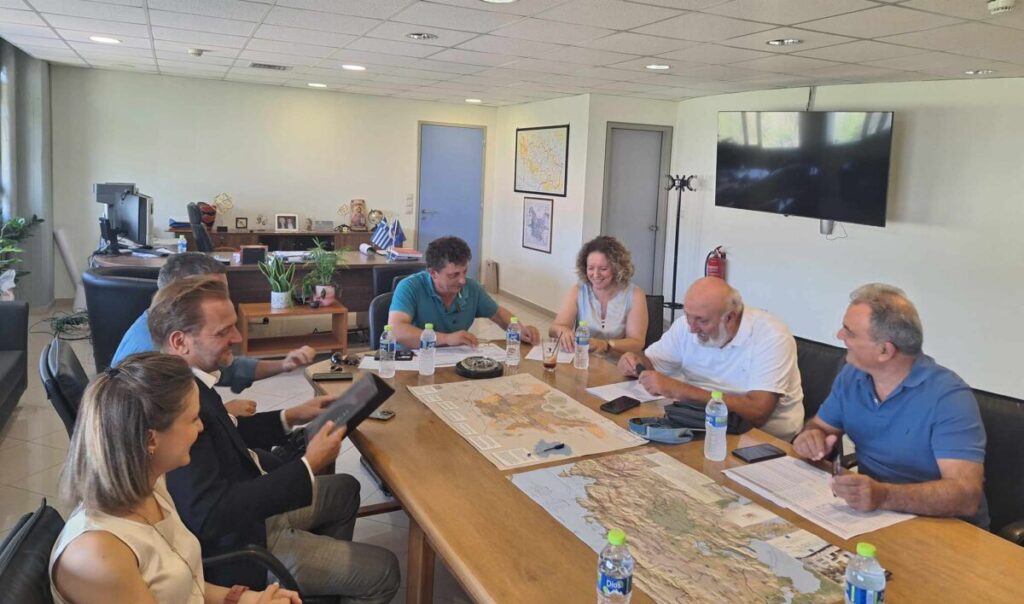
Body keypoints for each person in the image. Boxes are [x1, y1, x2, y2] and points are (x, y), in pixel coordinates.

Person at [150, 276, 400, 600]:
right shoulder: (176, 409)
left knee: (346, 489)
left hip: (252, 511)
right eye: (223, 331)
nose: (238, 337)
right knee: (384, 571)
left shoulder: (192, 383)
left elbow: (226, 431)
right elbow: (211, 516)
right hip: (243, 544)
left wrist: (290, 415)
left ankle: (321, 589)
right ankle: (304, 576)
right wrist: (309, 464)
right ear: (180, 342)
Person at [50, 353, 301, 604]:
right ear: (150, 440)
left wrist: (244, 599)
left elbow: (183, 586)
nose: (201, 427)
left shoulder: (152, 483)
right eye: (193, 419)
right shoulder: (98, 555)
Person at [793, 283, 987, 526]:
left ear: (885, 350)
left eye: (849, 332)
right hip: (876, 516)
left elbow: (965, 495)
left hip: (945, 527)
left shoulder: (948, 398)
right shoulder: (852, 375)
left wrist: (883, 496)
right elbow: (820, 427)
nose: (839, 336)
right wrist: (811, 436)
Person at [112, 252, 316, 416]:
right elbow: (160, 435)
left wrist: (284, 364)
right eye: (211, 292)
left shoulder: (172, 332)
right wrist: (224, 413)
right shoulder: (152, 362)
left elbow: (228, 368)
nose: (223, 299)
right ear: (179, 296)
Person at [618, 277, 804, 441]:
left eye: (702, 321)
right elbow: (651, 362)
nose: (692, 328)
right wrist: (634, 361)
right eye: (687, 316)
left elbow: (758, 412)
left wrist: (679, 390)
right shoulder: (688, 325)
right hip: (698, 423)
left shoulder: (771, 336)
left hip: (761, 439)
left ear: (729, 318)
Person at [389, 236, 540, 349]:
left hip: (453, 361)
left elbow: (498, 314)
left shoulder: (472, 288)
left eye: (465, 272)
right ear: (433, 273)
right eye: (454, 275)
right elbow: (397, 330)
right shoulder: (409, 287)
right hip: (413, 360)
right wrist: (447, 339)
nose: (462, 280)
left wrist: (521, 329)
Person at [550, 235, 648, 354]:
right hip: (584, 358)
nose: (595, 275)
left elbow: (637, 343)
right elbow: (554, 329)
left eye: (603, 269)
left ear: (617, 269)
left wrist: (606, 345)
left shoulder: (635, 295)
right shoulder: (578, 290)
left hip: (617, 360)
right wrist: (563, 331)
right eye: (591, 268)